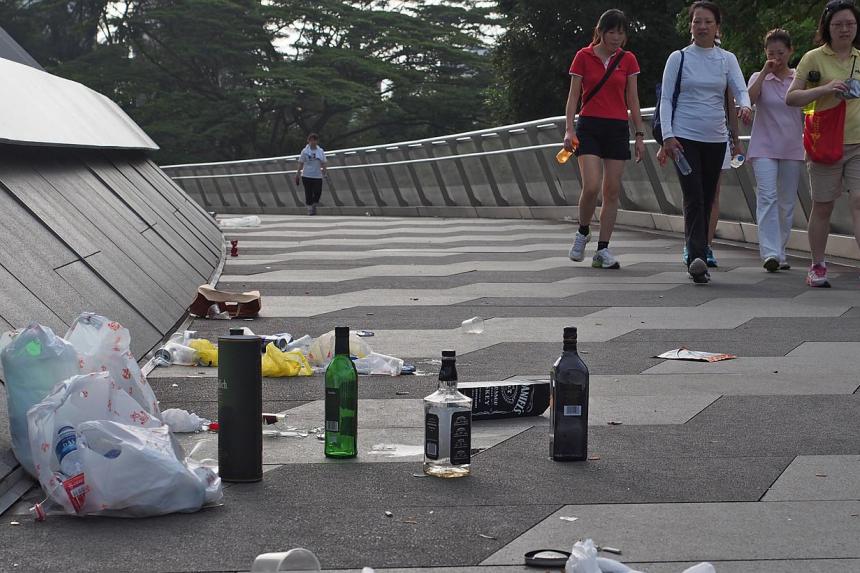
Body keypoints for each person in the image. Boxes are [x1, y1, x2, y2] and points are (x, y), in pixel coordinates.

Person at [657, 1, 752, 284]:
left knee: (708, 196)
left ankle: (698, 250)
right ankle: (696, 258)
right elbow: (664, 98)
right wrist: (668, 136)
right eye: (697, 21)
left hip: (715, 138)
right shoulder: (679, 58)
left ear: (717, 26)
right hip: (685, 138)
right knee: (694, 196)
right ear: (691, 26)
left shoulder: (726, 59)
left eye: (708, 22)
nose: (702, 26)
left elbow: (740, 89)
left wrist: (745, 106)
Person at [564, 8, 647, 269]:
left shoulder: (628, 59)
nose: (616, 38)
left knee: (611, 190)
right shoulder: (583, 56)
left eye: (621, 33)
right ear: (600, 32)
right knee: (590, 186)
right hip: (589, 126)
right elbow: (573, 96)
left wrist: (640, 134)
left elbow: (632, 98)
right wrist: (569, 129)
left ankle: (602, 250)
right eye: (612, 32)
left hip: (617, 127)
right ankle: (583, 231)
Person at [786, 0, 860, 287]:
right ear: (827, 27)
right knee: (823, 206)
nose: (845, 29)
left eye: (850, 24)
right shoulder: (813, 58)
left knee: (858, 200)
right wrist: (826, 89)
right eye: (838, 24)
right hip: (825, 142)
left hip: (858, 142)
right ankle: (817, 265)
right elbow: (791, 98)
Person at [748, 29, 804, 272]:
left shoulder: (799, 79)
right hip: (763, 146)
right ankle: (769, 252)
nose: (776, 58)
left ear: (791, 51)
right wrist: (764, 72)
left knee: (787, 202)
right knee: (767, 197)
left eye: (781, 53)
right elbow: (748, 99)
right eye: (771, 53)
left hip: (791, 146)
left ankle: (780, 251)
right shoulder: (758, 77)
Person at [294, 133, 327, 215]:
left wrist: (325, 172)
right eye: (311, 140)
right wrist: (297, 174)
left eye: (314, 140)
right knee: (308, 192)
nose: (313, 142)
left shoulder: (320, 151)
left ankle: (314, 204)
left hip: (317, 175)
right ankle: (310, 209)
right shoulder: (304, 151)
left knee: (318, 192)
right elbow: (301, 163)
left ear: (317, 141)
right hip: (306, 175)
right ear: (308, 141)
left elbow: (323, 163)